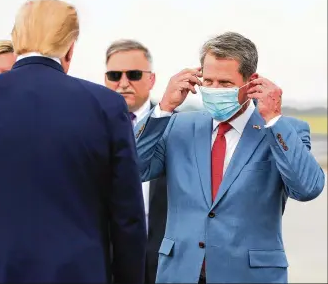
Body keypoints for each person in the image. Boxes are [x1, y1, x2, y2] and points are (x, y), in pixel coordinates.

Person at [0, 0, 146, 284]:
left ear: (17, 38)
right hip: (76, 271)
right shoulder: (105, 105)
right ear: (71, 47)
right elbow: (127, 215)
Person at [134, 31, 325, 283]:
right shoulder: (176, 126)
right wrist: (164, 108)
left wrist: (274, 120)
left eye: (225, 83)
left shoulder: (283, 130)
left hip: (249, 276)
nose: (214, 90)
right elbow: (133, 168)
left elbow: (308, 188)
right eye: (208, 81)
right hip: (180, 273)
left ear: (251, 82)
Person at [105, 39, 168, 284]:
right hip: (105, 258)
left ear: (151, 79)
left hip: (161, 258)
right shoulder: (86, 128)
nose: (123, 83)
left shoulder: (175, 127)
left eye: (133, 74)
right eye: (114, 75)